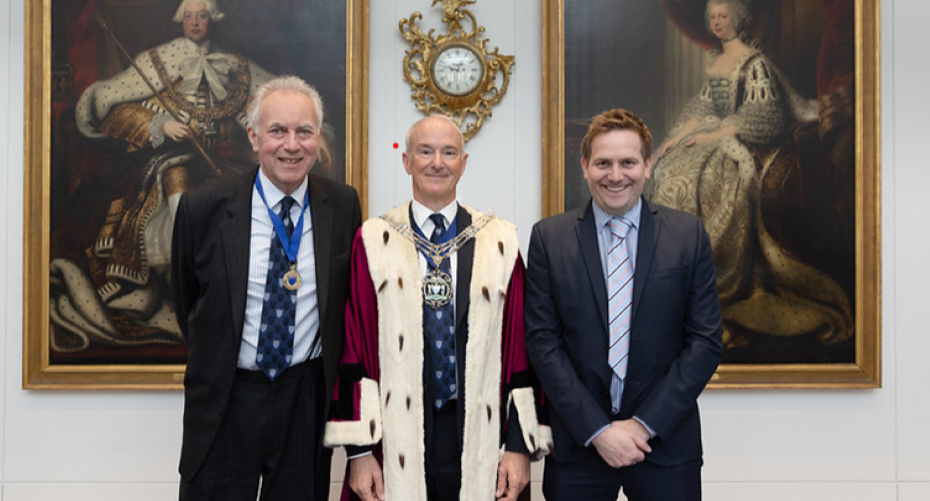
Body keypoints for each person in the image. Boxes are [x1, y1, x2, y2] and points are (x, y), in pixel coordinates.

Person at [323, 115, 549, 501]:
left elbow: (519, 351)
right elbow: (353, 346)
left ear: (463, 162)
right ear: (407, 161)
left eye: (448, 152)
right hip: (395, 434)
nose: (437, 162)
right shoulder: (375, 240)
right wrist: (359, 452)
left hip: (479, 429)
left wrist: (517, 446)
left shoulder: (500, 241)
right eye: (425, 151)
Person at [171, 75, 361, 500]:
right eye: (277, 131)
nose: (291, 145)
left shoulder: (343, 205)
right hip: (226, 396)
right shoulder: (203, 208)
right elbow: (189, 304)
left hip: (304, 398)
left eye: (303, 132)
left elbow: (344, 306)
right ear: (254, 137)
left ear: (317, 139)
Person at [51, 0, 274, 351]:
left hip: (220, 159)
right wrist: (161, 124)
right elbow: (110, 101)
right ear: (180, 20)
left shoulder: (234, 66)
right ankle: (185, 287)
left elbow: (263, 104)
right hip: (171, 159)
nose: (195, 23)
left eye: (201, 16)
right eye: (188, 16)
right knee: (177, 182)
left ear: (212, 20)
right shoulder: (158, 60)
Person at [525, 108, 723, 500]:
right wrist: (598, 431)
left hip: (664, 446)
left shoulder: (688, 236)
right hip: (578, 449)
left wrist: (642, 425)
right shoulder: (550, 239)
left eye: (628, 162)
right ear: (584, 166)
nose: (616, 176)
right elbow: (543, 343)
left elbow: (704, 343)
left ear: (648, 166)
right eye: (603, 163)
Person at [647, 0, 852, 347]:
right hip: (715, 134)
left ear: (737, 20)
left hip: (741, 141)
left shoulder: (755, 64)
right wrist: (676, 139)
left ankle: (716, 286)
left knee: (715, 182)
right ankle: (674, 287)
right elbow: (702, 108)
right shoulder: (717, 63)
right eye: (712, 17)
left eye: (723, 16)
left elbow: (763, 118)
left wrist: (712, 135)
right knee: (670, 172)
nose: (716, 22)